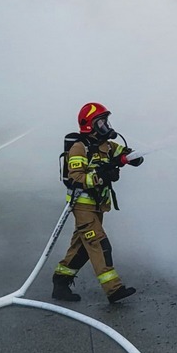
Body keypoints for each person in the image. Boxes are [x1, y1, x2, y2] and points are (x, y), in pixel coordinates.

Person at [51, 102, 144, 304]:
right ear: (89, 125)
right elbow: (76, 177)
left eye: (106, 121)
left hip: (98, 204)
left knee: (83, 247)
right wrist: (101, 175)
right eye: (101, 122)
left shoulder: (106, 145)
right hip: (82, 205)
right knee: (99, 243)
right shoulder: (79, 147)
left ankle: (60, 281)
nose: (106, 125)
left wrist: (133, 157)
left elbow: (124, 153)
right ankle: (114, 290)